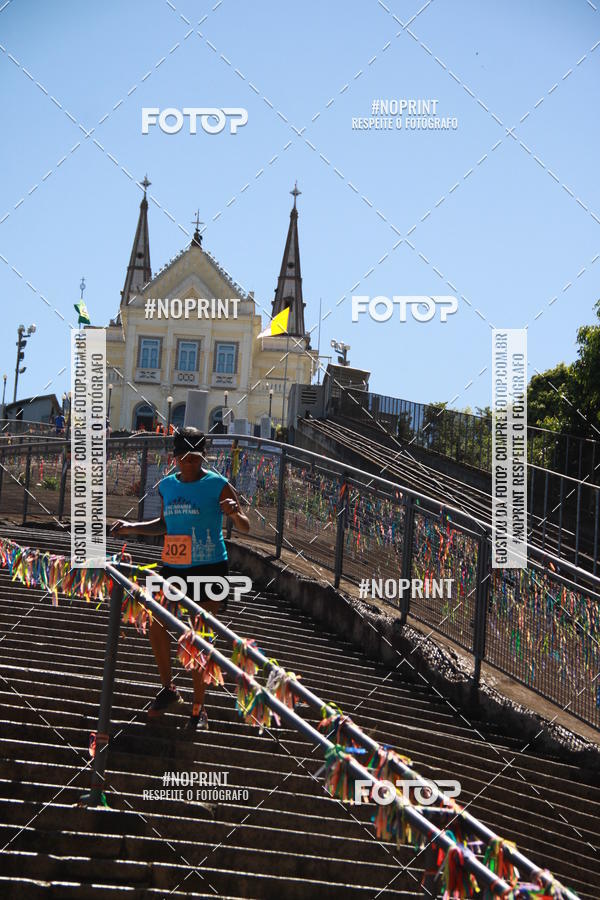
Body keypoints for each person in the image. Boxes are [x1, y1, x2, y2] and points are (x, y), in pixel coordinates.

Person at [112, 427, 250, 732]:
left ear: (202, 457)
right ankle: (169, 689)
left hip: (209, 569)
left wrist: (234, 516)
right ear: (175, 458)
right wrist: (130, 526)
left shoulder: (218, 485)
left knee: (196, 639)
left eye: (195, 458)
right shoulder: (167, 486)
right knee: (156, 625)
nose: (189, 464)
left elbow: (245, 525)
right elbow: (164, 523)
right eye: (184, 458)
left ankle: (198, 710)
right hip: (173, 569)